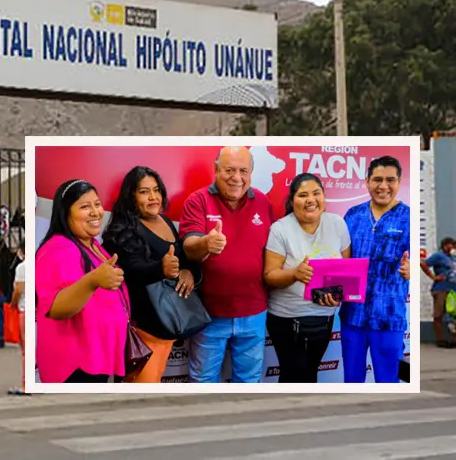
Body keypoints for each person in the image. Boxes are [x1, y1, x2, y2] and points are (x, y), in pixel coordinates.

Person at [179, 146, 275, 383]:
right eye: (230, 170)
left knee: (249, 381)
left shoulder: (263, 202)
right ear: (216, 170)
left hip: (254, 311)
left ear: (251, 173)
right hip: (210, 313)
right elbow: (189, 245)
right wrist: (206, 243)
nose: (237, 177)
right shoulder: (198, 200)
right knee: (202, 380)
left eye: (243, 170)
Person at [102, 166, 198, 383]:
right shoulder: (123, 229)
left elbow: (182, 258)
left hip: (167, 329)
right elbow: (131, 271)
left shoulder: (164, 221)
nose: (153, 197)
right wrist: (160, 269)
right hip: (142, 332)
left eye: (156, 190)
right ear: (131, 196)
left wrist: (187, 271)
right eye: (144, 192)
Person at [35, 179, 128, 384]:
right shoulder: (58, 250)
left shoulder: (92, 244)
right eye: (85, 206)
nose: (95, 212)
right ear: (65, 213)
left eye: (97, 204)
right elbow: (56, 307)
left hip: (98, 359)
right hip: (75, 366)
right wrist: (92, 280)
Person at [263, 173, 350, 383]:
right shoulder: (280, 229)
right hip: (288, 319)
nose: (311, 200)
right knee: (295, 376)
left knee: (310, 374)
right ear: (292, 201)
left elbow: (344, 272)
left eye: (316, 193)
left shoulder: (337, 224)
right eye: (303, 195)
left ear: (324, 197)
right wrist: (294, 274)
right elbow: (270, 276)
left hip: (324, 318)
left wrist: (338, 295)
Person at [341, 155, 411, 383]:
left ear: (399, 182)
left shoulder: (408, 218)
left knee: (388, 382)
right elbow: (341, 260)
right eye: (377, 179)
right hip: (353, 316)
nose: (383, 186)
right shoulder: (353, 215)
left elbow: (420, 263)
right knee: (352, 381)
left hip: (389, 317)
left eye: (390, 180)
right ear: (367, 181)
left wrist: (412, 272)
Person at [422, 237, 456, 348]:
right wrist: (433, 277)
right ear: (445, 245)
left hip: (453, 292)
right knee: (438, 315)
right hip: (441, 289)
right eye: (453, 245)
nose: (455, 247)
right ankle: (440, 340)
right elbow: (423, 264)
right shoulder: (439, 256)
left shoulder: (452, 258)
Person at [7, 237, 29, 395]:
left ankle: (26, 384)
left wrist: (12, 304)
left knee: (25, 350)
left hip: (25, 310)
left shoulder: (22, 267)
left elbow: (18, 290)